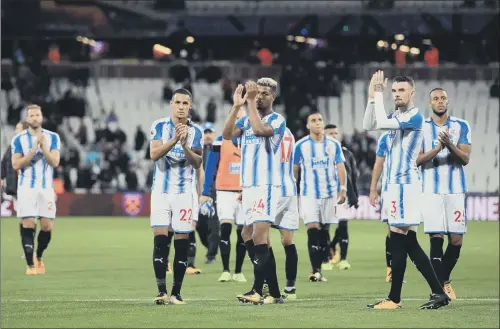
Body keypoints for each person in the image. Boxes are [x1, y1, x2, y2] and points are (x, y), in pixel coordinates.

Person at [363, 71, 449, 310]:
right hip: (394, 187)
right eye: (394, 91)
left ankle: (396, 298)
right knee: (406, 240)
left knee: (398, 238)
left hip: (404, 185)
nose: (397, 95)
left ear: (412, 93)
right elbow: (369, 124)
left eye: (401, 90)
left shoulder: (414, 117)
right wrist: (372, 97)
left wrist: (378, 95)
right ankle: (434, 293)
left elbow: (379, 123)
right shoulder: (394, 116)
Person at [223, 78, 286, 305]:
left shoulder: (277, 120)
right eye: (257, 93)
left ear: (273, 97)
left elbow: (260, 129)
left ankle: (257, 291)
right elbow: (227, 135)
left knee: (260, 236)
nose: (259, 96)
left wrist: (249, 102)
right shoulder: (246, 118)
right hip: (248, 186)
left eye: (265, 94)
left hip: (265, 185)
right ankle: (275, 292)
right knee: (247, 236)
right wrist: (237, 105)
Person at [149, 88, 204, 305]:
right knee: (160, 241)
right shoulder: (159, 126)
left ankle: (177, 293)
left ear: (190, 106)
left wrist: (184, 145)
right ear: (171, 104)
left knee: (182, 242)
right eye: (177, 102)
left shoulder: (196, 132)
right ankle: (161, 291)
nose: (181, 106)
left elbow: (198, 162)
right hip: (160, 192)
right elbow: (153, 154)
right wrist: (173, 140)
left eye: (185, 103)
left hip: (183, 194)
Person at [417, 87, 472, 301]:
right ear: (430, 104)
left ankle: (443, 280)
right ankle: (439, 290)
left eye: (443, 98)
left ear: (447, 102)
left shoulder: (461, 126)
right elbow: (417, 160)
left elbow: (465, 159)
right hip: (430, 191)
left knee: (456, 241)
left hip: (455, 191)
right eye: (436, 99)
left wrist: (449, 145)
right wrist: (438, 149)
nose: (440, 101)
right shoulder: (420, 128)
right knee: (436, 237)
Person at [293, 112, 347, 282]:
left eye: (320, 120)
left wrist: (343, 188)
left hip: (329, 194)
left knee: (324, 232)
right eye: (313, 121)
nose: (317, 123)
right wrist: (293, 189)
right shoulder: (300, 145)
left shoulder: (333, 144)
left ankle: (321, 265)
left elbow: (340, 167)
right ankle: (315, 270)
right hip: (309, 194)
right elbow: (294, 168)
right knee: (313, 229)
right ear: (307, 126)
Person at [11, 105, 61, 275]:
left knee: (47, 226)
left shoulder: (53, 137)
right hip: (26, 188)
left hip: (46, 188)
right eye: (31, 115)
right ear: (27, 119)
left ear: (41, 117)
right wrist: (33, 151)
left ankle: (39, 256)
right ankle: (30, 264)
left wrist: (44, 148)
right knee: (28, 223)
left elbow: (54, 162)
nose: (34, 118)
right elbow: (16, 164)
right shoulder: (18, 140)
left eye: (37, 115)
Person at [201, 108, 248, 283]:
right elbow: (211, 168)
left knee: (243, 232)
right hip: (224, 191)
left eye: (241, 117)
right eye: (235, 116)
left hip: (245, 192)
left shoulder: (251, 142)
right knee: (225, 229)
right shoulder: (220, 141)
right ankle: (226, 270)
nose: (238, 119)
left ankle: (238, 271)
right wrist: (206, 192)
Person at [324, 124, 359, 270]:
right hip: (326, 194)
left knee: (343, 225)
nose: (334, 135)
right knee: (324, 227)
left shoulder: (348, 154)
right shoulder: (321, 153)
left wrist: (354, 195)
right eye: (330, 133)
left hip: (343, 194)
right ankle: (326, 258)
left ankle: (343, 259)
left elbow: (352, 176)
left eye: (335, 133)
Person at [1, 121, 30, 254]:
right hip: (14, 187)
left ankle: (28, 247)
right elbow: (4, 162)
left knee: (26, 217)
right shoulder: (12, 146)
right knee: (22, 217)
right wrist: (2, 178)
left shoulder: (28, 147)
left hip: (26, 186)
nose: (15, 131)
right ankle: (27, 246)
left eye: (18, 128)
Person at [369, 132, 393, 283]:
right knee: (393, 231)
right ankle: (391, 268)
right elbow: (379, 163)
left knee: (409, 234)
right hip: (391, 189)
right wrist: (373, 189)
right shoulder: (386, 138)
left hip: (412, 189)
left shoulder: (415, 134)